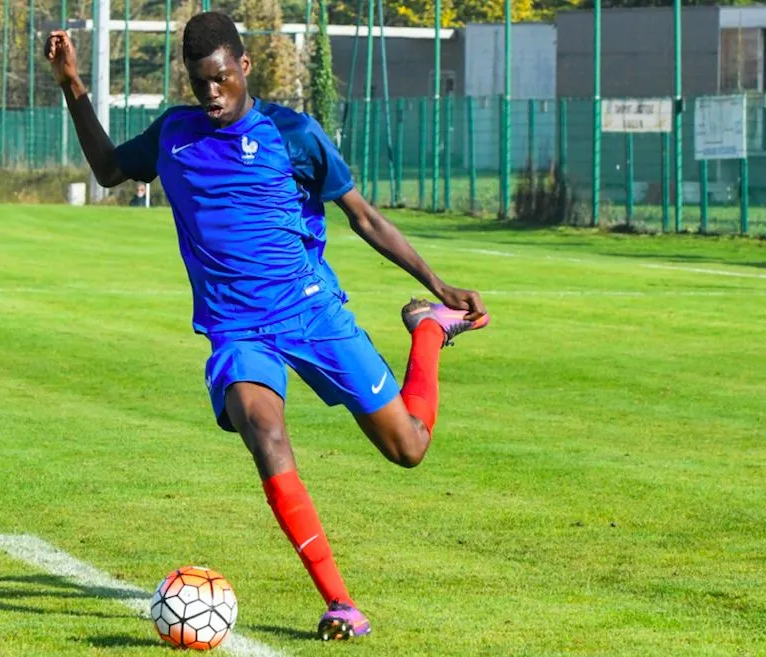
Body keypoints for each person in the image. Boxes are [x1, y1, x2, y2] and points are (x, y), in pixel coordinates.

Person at [45, 12, 489, 641]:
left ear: (244, 66)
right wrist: (72, 84)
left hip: (311, 311)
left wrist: (438, 286)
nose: (212, 93)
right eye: (200, 83)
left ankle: (428, 332)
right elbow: (110, 170)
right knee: (266, 434)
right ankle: (341, 603)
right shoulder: (174, 133)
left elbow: (363, 217)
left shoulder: (293, 133)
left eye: (221, 78)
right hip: (237, 331)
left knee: (408, 448)